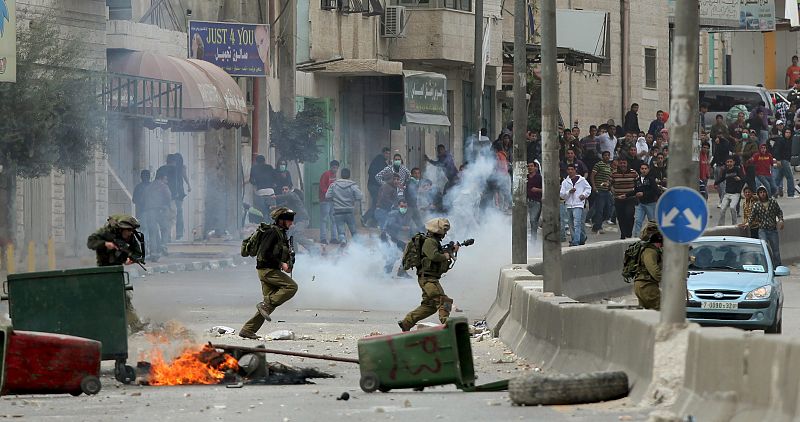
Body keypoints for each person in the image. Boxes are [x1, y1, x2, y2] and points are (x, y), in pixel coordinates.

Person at [239, 207, 299, 340]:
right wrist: (281, 264)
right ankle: (264, 305)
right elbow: (264, 253)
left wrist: (287, 264)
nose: (291, 223)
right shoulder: (271, 232)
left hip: (270, 270)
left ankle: (247, 330)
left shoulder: (281, 233)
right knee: (291, 287)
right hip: (267, 270)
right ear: (281, 220)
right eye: (289, 221)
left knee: (268, 306)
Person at [86, 215, 146, 332]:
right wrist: (105, 244)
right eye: (128, 230)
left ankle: (132, 325)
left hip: (117, 270)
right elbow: (90, 242)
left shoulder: (130, 237)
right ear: (121, 228)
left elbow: (137, 253)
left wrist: (132, 259)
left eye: (132, 230)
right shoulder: (106, 233)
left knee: (123, 299)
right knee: (111, 299)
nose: (130, 233)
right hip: (104, 269)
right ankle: (124, 325)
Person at [398, 218, 458, 332]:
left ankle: (406, 323)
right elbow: (433, 256)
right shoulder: (429, 242)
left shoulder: (434, 242)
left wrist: (451, 251)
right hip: (428, 280)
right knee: (443, 301)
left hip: (429, 278)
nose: (445, 233)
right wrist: (446, 255)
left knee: (429, 306)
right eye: (444, 231)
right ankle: (447, 324)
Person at [744, 186, 784, 266]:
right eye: (761, 193)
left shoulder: (773, 202)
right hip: (762, 230)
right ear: (758, 194)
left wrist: (781, 220)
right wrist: (748, 223)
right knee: (764, 249)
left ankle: (778, 266)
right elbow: (752, 216)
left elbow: (779, 212)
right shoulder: (757, 205)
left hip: (773, 229)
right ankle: (766, 266)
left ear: (766, 193)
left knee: (775, 250)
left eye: (764, 192)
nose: (762, 194)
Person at [325, 168, 363, 244]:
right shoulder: (353, 186)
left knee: (341, 231)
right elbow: (360, 196)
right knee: (353, 231)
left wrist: (334, 199)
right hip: (349, 210)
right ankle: (359, 247)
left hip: (338, 211)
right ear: (349, 175)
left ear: (341, 175)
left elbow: (327, 196)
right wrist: (353, 199)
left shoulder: (334, 185)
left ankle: (342, 240)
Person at [142, 170, 172, 261]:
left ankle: (154, 254)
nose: (166, 180)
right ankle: (163, 245)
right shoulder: (163, 186)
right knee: (165, 228)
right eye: (166, 178)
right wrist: (166, 206)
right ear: (162, 178)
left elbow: (143, 198)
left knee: (152, 232)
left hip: (149, 211)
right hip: (160, 210)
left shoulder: (148, 187)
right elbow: (168, 197)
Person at [559, 164, 591, 246]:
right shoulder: (565, 182)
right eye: (569, 169)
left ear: (575, 170)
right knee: (571, 224)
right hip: (569, 204)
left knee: (577, 222)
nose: (570, 171)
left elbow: (588, 188)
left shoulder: (582, 180)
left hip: (578, 203)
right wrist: (569, 192)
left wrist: (584, 195)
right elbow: (562, 194)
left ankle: (575, 241)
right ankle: (581, 237)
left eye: (572, 169)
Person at [381, 199, 414, 277]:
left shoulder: (404, 215)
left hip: (394, 237)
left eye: (405, 207)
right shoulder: (393, 213)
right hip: (387, 236)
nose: (403, 208)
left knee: (407, 251)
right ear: (398, 206)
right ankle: (386, 272)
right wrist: (402, 228)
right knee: (394, 254)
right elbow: (391, 224)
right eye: (402, 206)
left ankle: (401, 271)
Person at [634, 223, 663, 310]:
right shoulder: (650, 252)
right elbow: (654, 270)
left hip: (644, 285)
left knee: (647, 314)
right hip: (646, 285)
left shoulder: (655, 250)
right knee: (662, 310)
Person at [276, 185, 314, 253]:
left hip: (303, 220)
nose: (284, 191)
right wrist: (274, 207)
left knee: (297, 235)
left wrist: (275, 197)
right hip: (298, 221)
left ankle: (313, 247)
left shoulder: (293, 195)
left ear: (290, 190)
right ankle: (296, 253)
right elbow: (283, 205)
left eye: (286, 189)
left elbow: (289, 196)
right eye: (283, 189)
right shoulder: (289, 202)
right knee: (290, 236)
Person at [611, 159, 638, 239]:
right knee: (621, 217)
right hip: (618, 199)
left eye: (624, 163)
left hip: (630, 198)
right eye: (621, 163)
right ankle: (623, 234)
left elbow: (638, 183)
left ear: (627, 163)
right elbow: (610, 183)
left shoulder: (633, 173)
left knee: (629, 214)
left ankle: (628, 232)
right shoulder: (614, 173)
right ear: (618, 164)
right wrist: (613, 192)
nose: (623, 165)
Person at [714, 158, 745, 226]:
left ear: (733, 162)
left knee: (732, 207)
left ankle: (734, 224)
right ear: (726, 163)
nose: (729, 163)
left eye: (731, 162)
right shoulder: (725, 171)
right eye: (728, 162)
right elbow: (722, 178)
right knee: (722, 209)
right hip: (727, 193)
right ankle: (721, 225)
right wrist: (716, 183)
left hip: (735, 194)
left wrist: (739, 179)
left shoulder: (737, 169)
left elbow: (743, 178)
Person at [364, 147, 391, 226]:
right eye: (386, 153)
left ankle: (373, 222)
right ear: (383, 153)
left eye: (389, 153)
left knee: (376, 203)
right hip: (374, 185)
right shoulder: (379, 161)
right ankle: (365, 218)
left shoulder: (381, 161)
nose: (387, 155)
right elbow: (373, 173)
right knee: (377, 204)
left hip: (375, 185)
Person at [632, 163, 660, 237]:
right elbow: (635, 191)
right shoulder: (637, 180)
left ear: (648, 170)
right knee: (638, 220)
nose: (644, 170)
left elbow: (656, 191)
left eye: (645, 168)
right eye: (642, 168)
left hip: (651, 203)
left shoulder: (651, 179)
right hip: (641, 203)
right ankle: (636, 237)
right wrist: (626, 195)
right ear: (640, 170)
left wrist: (644, 193)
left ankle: (654, 237)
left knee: (652, 222)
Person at [590, 151, 613, 234]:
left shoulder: (609, 166)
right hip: (599, 190)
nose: (607, 157)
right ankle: (598, 227)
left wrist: (609, 184)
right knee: (600, 209)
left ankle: (596, 225)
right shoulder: (598, 165)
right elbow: (592, 176)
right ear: (602, 157)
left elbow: (610, 178)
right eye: (605, 155)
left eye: (608, 155)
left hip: (607, 190)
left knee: (608, 210)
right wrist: (594, 186)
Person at [318, 160, 340, 244]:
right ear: (331, 167)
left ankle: (334, 238)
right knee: (324, 219)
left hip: (332, 201)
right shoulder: (326, 174)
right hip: (325, 200)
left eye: (336, 168)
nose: (335, 169)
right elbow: (323, 187)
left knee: (334, 219)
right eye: (334, 167)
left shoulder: (335, 176)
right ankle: (323, 238)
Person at [772, 128, 795, 198]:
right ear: (784, 133)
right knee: (790, 177)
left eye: (789, 132)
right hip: (783, 160)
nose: (788, 134)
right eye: (786, 132)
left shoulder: (789, 141)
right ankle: (791, 194)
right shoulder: (781, 140)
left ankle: (773, 193)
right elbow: (777, 151)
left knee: (778, 178)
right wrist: (778, 160)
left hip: (785, 160)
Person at [527, 161, 543, 240]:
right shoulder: (525, 177)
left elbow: (545, 190)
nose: (530, 168)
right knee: (531, 221)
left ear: (535, 167)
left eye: (531, 166)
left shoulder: (539, 177)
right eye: (528, 166)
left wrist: (537, 190)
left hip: (536, 201)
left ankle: (533, 239)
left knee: (533, 220)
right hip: (527, 201)